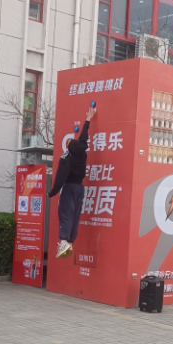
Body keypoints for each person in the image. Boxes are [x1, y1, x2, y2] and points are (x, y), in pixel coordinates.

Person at [48, 106, 96, 259]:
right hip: (80, 188)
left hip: (69, 188)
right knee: (75, 215)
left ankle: (63, 241)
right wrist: (88, 119)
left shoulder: (67, 161)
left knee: (66, 214)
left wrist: (51, 193)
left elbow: (60, 178)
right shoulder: (82, 153)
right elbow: (83, 137)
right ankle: (69, 242)